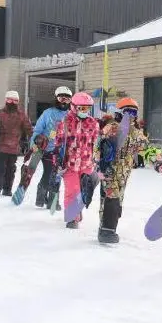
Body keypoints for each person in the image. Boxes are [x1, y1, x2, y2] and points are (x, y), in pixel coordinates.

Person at [95, 97, 148, 244]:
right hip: (109, 172)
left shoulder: (136, 133)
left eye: (134, 112)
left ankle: (106, 226)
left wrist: (159, 162)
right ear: (119, 113)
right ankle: (106, 231)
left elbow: (146, 149)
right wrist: (97, 165)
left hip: (124, 175)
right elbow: (97, 144)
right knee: (112, 198)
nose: (131, 116)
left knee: (116, 202)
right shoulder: (112, 127)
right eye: (127, 112)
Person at [53, 92, 100, 228]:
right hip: (70, 164)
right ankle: (72, 218)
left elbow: (96, 144)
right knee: (72, 190)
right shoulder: (65, 122)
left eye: (87, 109)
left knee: (83, 190)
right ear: (74, 107)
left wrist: (98, 159)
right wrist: (57, 159)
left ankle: (77, 210)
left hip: (86, 164)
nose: (85, 111)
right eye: (82, 108)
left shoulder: (93, 123)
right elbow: (58, 143)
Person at [30, 86, 72, 209]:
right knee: (49, 173)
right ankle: (41, 197)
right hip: (48, 149)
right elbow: (38, 129)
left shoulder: (71, 115)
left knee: (57, 175)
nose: (63, 101)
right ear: (56, 98)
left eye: (67, 99)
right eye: (61, 98)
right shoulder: (48, 113)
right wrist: (35, 143)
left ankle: (52, 201)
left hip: (64, 151)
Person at [0, 91, 33, 197]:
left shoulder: (21, 115)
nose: (12, 102)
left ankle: (5, 190)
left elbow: (29, 129)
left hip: (13, 148)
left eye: (15, 100)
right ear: (6, 100)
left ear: (18, 102)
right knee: (0, 169)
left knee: (9, 169)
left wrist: (35, 138)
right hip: (1, 146)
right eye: (10, 99)